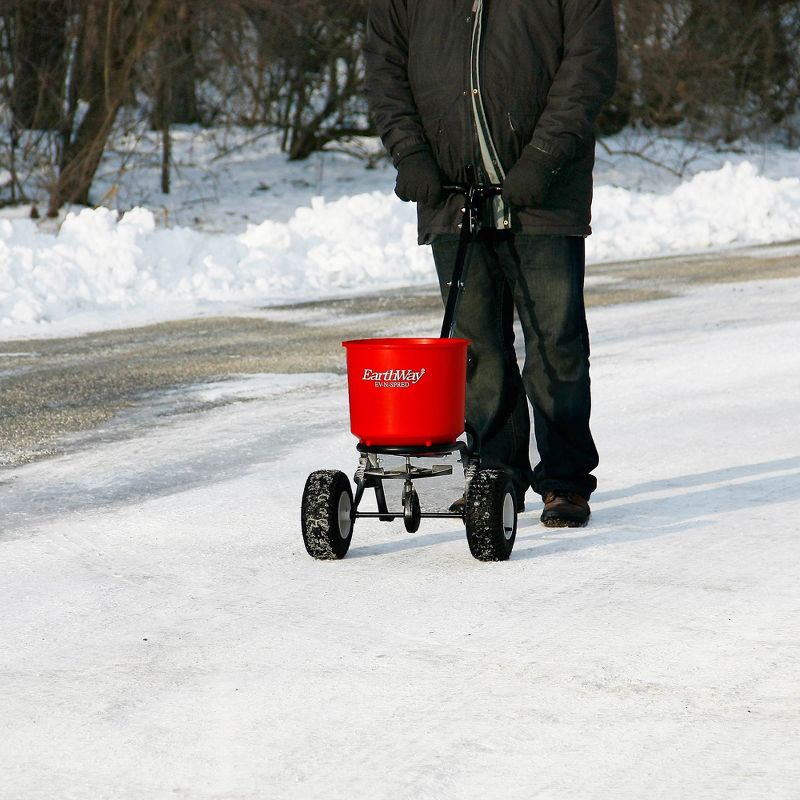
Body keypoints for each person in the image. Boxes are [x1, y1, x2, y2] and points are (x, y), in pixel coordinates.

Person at [364, 0, 617, 528]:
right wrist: (410, 153)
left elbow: (588, 65)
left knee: (556, 343)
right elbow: (385, 69)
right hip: (449, 191)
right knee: (475, 349)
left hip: (544, 194)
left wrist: (543, 159)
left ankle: (565, 481)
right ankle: (494, 477)